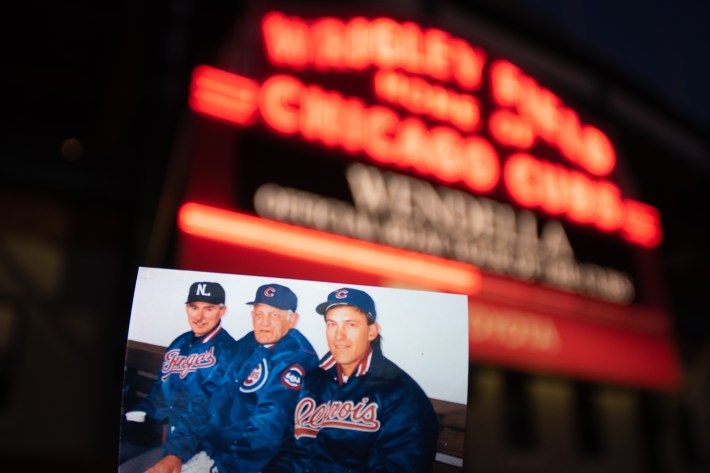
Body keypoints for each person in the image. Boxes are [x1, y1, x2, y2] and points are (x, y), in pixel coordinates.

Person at [145, 283, 319, 473]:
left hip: (257, 463)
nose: (264, 323)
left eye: (274, 315)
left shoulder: (297, 357)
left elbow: (267, 429)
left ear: (292, 319)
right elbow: (207, 395)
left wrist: (221, 467)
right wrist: (176, 453)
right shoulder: (248, 342)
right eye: (259, 314)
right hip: (213, 450)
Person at [265, 287, 439, 473]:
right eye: (332, 324)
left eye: (350, 325)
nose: (339, 336)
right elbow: (287, 449)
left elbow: (402, 465)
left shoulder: (401, 393)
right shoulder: (312, 380)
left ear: (372, 331)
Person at [119, 281, 237, 472]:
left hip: (195, 444)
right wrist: (136, 417)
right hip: (158, 433)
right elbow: (159, 392)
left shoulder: (229, 352)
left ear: (222, 311)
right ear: (186, 308)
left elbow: (208, 409)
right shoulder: (179, 343)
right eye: (194, 307)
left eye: (208, 309)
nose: (199, 317)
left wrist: (177, 453)